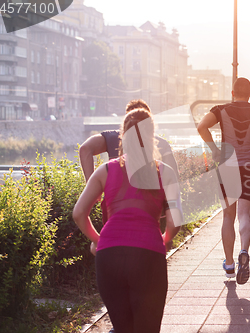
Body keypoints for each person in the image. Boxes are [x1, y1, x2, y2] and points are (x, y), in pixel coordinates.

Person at [73, 109, 181, 333]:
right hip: (148, 254)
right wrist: (165, 239)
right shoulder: (165, 172)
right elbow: (175, 221)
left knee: (123, 328)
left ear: (122, 135)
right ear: (152, 136)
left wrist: (99, 240)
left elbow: (78, 213)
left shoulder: (106, 169)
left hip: (109, 257)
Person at [197, 77, 250, 284]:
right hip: (249, 168)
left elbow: (201, 127)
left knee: (227, 216)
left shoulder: (220, 110)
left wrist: (214, 150)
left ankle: (230, 264)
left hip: (227, 167)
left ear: (232, 93)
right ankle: (244, 250)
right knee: (245, 215)